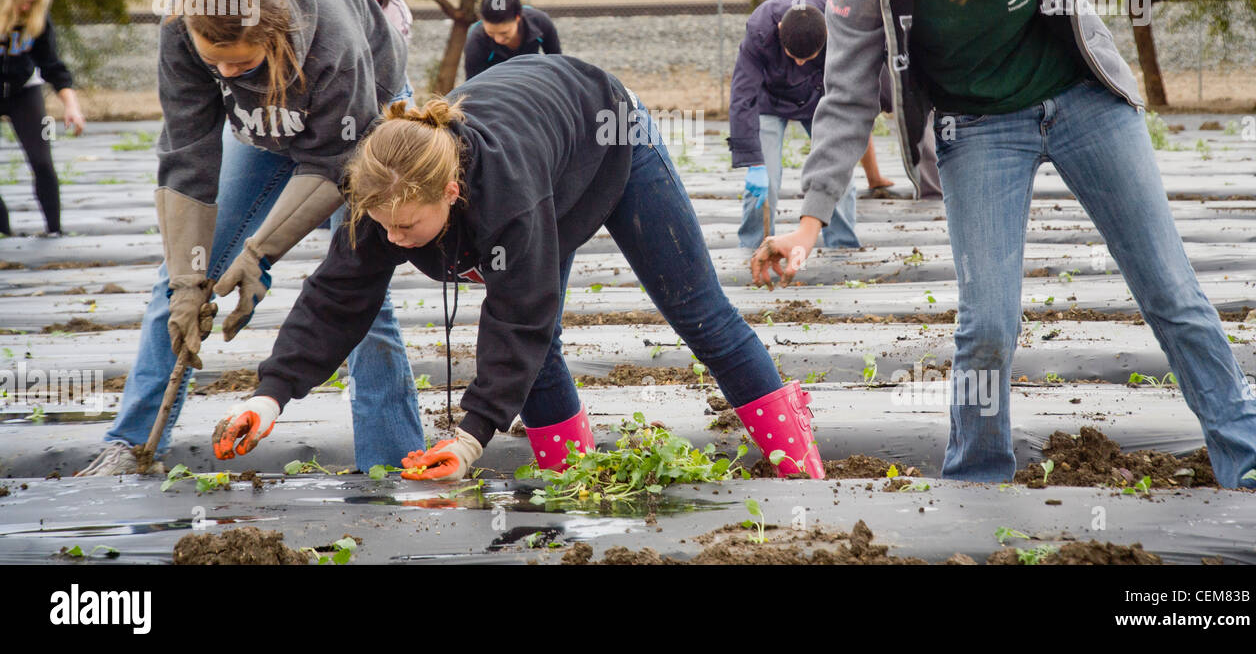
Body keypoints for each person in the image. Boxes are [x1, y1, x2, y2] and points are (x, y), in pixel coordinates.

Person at [752, 0, 1256, 489]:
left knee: (1171, 291)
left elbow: (1069, 18)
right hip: (978, 129)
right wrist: (808, 225)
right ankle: (977, 480)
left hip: (1082, 104)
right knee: (987, 325)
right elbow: (848, 95)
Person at [209, 54, 825, 481]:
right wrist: (270, 397)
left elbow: (518, 317)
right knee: (541, 348)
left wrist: (471, 436)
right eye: (386, 227)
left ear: (452, 192)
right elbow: (334, 300)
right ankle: (573, 478)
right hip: (542, 135)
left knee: (696, 311)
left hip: (611, 131)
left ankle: (799, 467)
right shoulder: (384, 196)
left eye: (407, 229)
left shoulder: (509, 198)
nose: (394, 241)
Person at [77, 0, 423, 475]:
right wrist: (191, 278)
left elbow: (332, 162)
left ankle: (392, 461)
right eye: (213, 62)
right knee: (177, 283)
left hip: (361, 118)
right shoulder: (180, 28)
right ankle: (131, 446)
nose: (225, 72)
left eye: (240, 62)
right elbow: (187, 155)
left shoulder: (332, 42)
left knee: (360, 290)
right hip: (260, 131)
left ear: (275, 33)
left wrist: (259, 254)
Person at [729, 0, 940, 251]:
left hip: (821, 95)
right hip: (769, 100)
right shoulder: (760, 29)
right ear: (780, 30)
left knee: (837, 172)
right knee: (765, 180)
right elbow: (742, 95)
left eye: (809, 58)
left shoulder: (844, 13)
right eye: (794, 58)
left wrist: (887, 98)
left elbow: (875, 59)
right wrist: (752, 159)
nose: (801, 65)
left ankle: (842, 246)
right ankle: (755, 247)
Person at [0, 0, 85, 237]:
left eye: (36, 1)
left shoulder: (37, 21)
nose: (29, 7)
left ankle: (55, 231)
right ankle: (4, 233)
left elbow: (53, 65)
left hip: (24, 90)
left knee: (42, 161)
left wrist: (71, 106)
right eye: (26, 0)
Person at [462, 0, 560, 79]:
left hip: (532, 78)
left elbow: (557, 63)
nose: (498, 39)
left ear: (517, 18)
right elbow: (473, 84)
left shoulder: (540, 21)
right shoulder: (476, 41)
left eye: (504, 32)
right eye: (491, 33)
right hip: (494, 84)